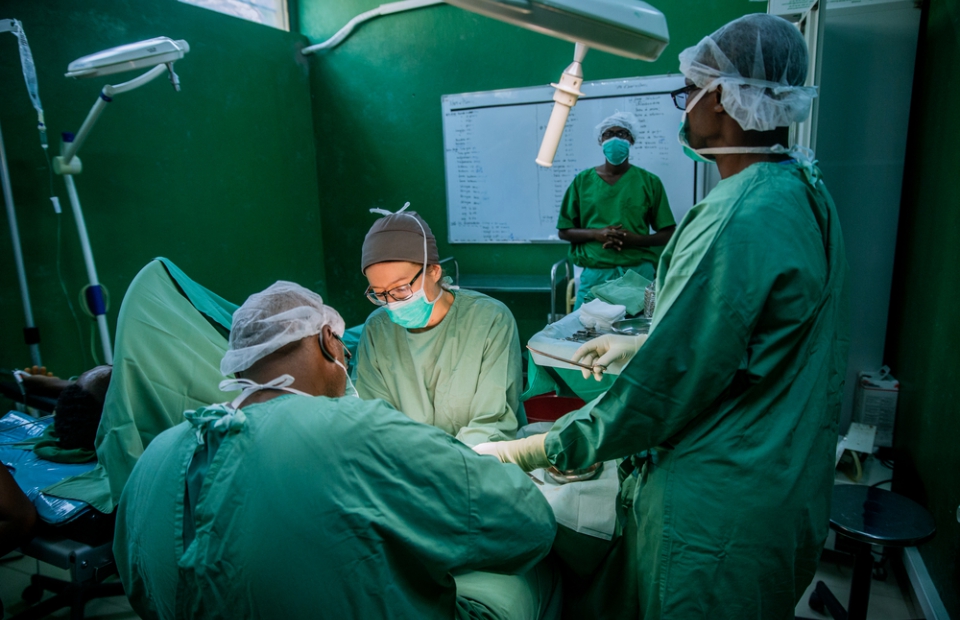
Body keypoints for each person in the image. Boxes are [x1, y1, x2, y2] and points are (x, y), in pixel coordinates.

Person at [474, 14, 849, 619]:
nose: (685, 113)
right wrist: (648, 338)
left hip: (719, 510)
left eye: (688, 95)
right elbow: (750, 335)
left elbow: (664, 386)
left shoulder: (737, 215)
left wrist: (541, 448)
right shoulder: (802, 186)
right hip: (780, 478)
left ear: (722, 99)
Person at [115, 282, 559, 620]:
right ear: (331, 341)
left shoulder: (157, 456)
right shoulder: (357, 429)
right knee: (537, 574)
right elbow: (526, 527)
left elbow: (140, 585)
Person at [355, 204, 523, 446]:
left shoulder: (490, 320)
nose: (391, 304)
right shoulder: (377, 331)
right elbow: (374, 421)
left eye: (401, 289)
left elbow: (491, 425)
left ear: (434, 271)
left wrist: (443, 467)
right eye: (380, 294)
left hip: (475, 465)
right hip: (404, 468)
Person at [557, 111, 676, 308]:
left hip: (637, 276)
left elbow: (668, 233)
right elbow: (564, 231)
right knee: (584, 331)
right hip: (595, 275)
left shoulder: (649, 182)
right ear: (600, 140)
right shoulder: (582, 182)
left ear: (632, 140)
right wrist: (596, 234)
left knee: (638, 334)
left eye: (622, 134)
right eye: (608, 134)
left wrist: (636, 240)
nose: (614, 139)